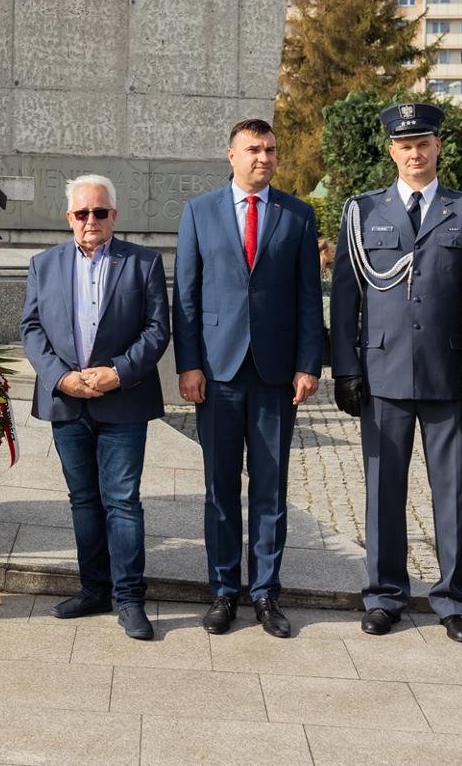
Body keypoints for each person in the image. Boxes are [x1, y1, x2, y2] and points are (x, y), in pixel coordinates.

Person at [331, 102, 462, 642]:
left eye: (423, 142)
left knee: (451, 493)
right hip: (383, 373)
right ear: (391, 150)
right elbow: (346, 298)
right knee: (383, 491)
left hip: (448, 374)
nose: (414, 152)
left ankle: (453, 600)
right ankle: (384, 595)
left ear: (438, 147)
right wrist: (346, 369)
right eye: (404, 144)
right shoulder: (363, 211)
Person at [173, 119, 324, 638]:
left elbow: (310, 297)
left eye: (271, 150)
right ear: (231, 156)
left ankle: (265, 593)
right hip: (217, 373)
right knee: (219, 486)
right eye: (254, 150)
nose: (264, 157)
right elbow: (186, 296)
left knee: (270, 488)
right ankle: (222, 590)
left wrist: (309, 363)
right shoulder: (199, 212)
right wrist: (187, 364)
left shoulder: (298, 215)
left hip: (276, 375)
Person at [20, 174, 171, 641]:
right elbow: (31, 329)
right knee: (83, 501)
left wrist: (118, 373)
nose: (91, 221)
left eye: (99, 213)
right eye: (82, 213)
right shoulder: (43, 264)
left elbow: (156, 329)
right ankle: (94, 589)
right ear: (69, 217)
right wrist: (61, 377)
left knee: (122, 502)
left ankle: (129, 599)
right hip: (67, 401)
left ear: (113, 216)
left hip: (122, 400)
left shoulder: (143, 263)